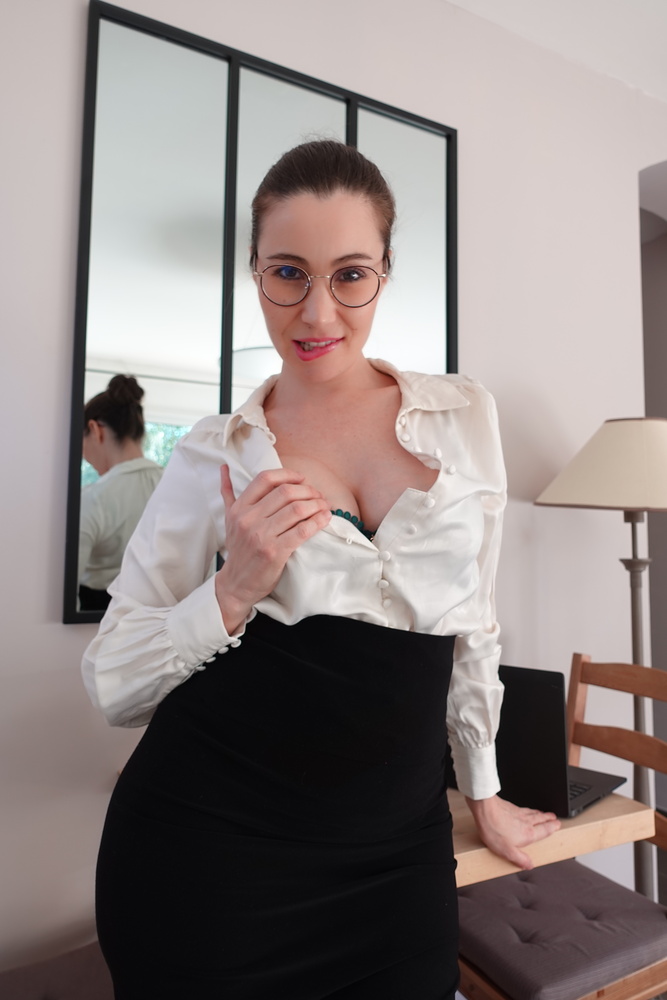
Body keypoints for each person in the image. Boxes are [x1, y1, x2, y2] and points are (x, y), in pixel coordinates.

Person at [82, 140, 560, 999]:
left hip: (398, 859)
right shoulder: (211, 456)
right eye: (287, 274)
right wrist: (233, 587)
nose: (316, 312)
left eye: (349, 275)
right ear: (255, 273)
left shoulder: (462, 415)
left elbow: (473, 622)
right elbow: (112, 682)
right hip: (211, 867)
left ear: (383, 273)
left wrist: (483, 788)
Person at [79, 374, 162, 611]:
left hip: (96, 617)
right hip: (165, 617)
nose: (84, 456)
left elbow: (63, 591)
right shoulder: (175, 487)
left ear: (95, 430)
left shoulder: (93, 498)